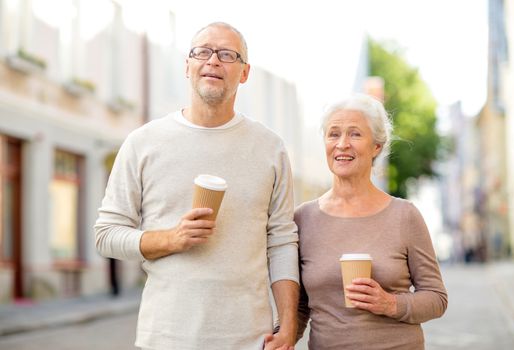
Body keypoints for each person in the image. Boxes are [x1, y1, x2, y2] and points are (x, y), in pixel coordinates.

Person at [95, 22, 299, 350]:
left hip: (250, 339)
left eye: (227, 55)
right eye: (202, 52)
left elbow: (282, 242)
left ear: (245, 73)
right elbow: (106, 235)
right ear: (187, 66)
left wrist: (288, 324)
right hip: (165, 338)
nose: (213, 61)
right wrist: (170, 239)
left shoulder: (270, 148)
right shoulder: (143, 143)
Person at [294, 93, 447, 349]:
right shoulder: (303, 218)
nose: (342, 144)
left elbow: (437, 298)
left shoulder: (404, 215)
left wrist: (389, 303)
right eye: (333, 134)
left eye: (355, 134)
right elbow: (299, 305)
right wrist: (283, 338)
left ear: (376, 146)